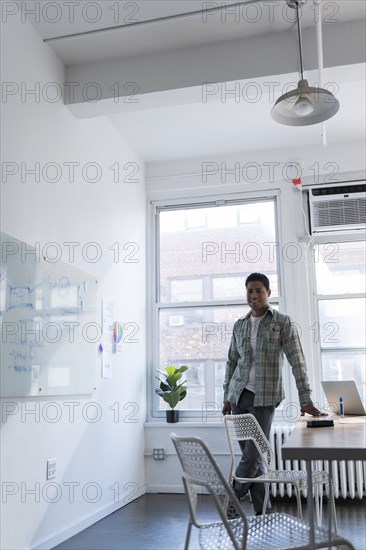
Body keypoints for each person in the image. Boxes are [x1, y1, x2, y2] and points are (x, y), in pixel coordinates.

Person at [222, 272, 324, 517]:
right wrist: (227, 396)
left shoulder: (282, 322)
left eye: (259, 290)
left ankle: (233, 499)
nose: (254, 295)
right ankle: (263, 512)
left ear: (268, 292)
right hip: (239, 396)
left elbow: (297, 361)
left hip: (265, 398)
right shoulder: (240, 325)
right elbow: (231, 362)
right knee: (251, 457)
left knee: (253, 454)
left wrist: (305, 398)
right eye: (249, 291)